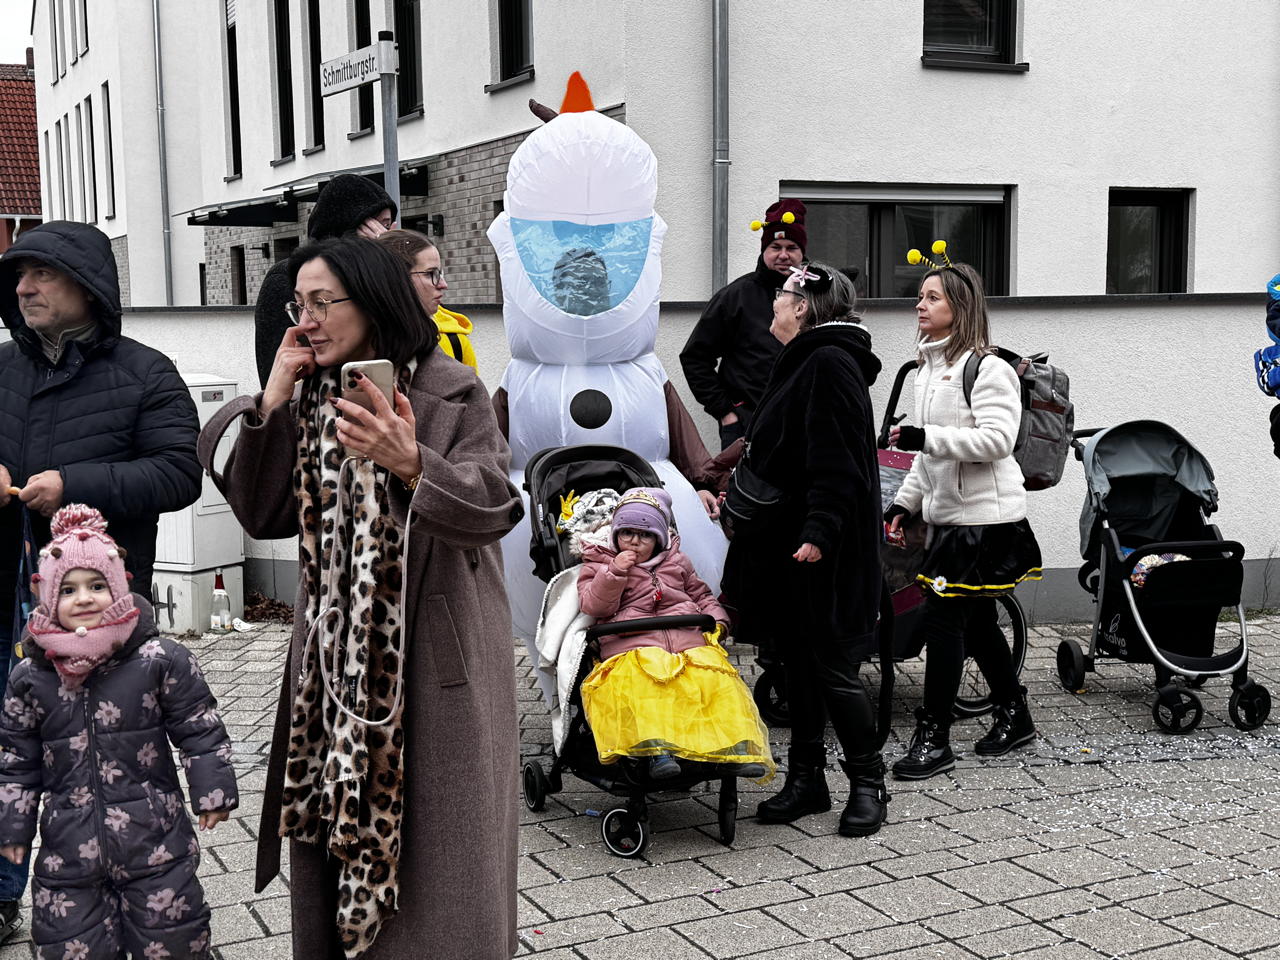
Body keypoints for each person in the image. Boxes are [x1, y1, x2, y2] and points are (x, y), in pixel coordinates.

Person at [202, 236, 522, 960]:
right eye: (299, 304)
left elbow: (495, 507)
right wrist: (273, 399)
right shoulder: (310, 396)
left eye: (323, 303)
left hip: (432, 668)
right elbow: (261, 513)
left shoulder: (448, 389)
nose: (307, 320)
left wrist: (412, 462)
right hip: (330, 680)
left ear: (372, 300)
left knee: (442, 867)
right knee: (334, 847)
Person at [0, 220, 203, 940]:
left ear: (86, 285)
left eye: (41, 275)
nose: (23, 287)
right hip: (8, 601)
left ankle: (149, 901)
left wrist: (74, 484)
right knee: (14, 751)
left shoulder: (145, 371)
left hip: (96, 617)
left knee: (105, 761)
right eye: (18, 276)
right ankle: (8, 895)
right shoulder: (3, 367)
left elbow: (181, 472)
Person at [0, 504, 237, 959]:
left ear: (121, 587)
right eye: (67, 589)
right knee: (70, 945)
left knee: (174, 941)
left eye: (97, 585)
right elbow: (15, 760)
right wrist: (12, 828)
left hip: (156, 844)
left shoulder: (158, 659)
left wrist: (214, 790)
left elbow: (199, 726)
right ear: (47, 597)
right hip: (68, 852)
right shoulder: (31, 677)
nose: (84, 597)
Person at [721, 261, 889, 838]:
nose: (774, 302)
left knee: (833, 667)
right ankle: (807, 781)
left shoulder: (829, 362)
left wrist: (818, 533)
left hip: (820, 548)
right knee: (795, 663)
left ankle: (869, 785)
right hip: (787, 543)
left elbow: (837, 460)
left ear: (804, 307)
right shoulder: (806, 359)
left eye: (784, 294)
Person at [885, 260, 1042, 780]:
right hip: (950, 519)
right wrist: (904, 503)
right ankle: (1014, 714)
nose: (919, 305)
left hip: (986, 521)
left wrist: (922, 439)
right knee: (974, 622)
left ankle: (935, 736)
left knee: (945, 622)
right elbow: (929, 458)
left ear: (960, 307)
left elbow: (997, 441)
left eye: (932, 298)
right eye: (921, 296)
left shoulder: (988, 368)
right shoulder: (929, 370)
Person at [577, 487, 774, 782]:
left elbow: (701, 595)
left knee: (716, 681)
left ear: (659, 538)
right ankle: (658, 749)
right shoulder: (599, 564)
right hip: (633, 643)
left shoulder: (677, 562)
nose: (634, 541)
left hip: (685, 639)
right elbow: (593, 604)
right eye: (626, 532)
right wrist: (614, 574)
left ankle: (733, 748)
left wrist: (717, 620)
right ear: (615, 534)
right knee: (646, 683)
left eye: (645, 535)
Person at [680, 199, 808, 449]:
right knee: (742, 489)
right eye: (775, 246)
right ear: (764, 250)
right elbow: (695, 357)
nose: (783, 255)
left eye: (791, 247)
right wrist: (726, 413)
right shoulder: (736, 297)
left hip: (802, 424)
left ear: (802, 251)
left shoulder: (816, 295)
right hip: (746, 425)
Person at [254, 173, 397, 387]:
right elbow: (276, 368)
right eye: (381, 224)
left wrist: (391, 265)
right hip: (313, 401)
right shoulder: (286, 277)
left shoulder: (378, 275)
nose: (386, 233)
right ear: (353, 224)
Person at [376, 228, 479, 370]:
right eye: (431, 274)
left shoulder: (454, 340)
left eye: (440, 273)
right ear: (395, 278)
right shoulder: (351, 344)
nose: (443, 285)